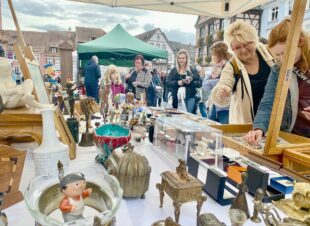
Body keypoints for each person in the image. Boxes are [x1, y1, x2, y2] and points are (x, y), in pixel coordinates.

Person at [245, 19, 310, 144]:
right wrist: (259, 128)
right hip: (291, 135)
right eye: (277, 54)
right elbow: (268, 102)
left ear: (300, 42)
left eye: (286, 52)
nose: (282, 58)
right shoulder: (278, 69)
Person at [211, 21, 274, 124]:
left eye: (246, 44)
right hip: (248, 127)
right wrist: (222, 92)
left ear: (254, 40)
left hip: (277, 122)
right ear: (232, 49)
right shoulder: (231, 67)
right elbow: (223, 85)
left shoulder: (269, 53)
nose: (243, 50)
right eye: (238, 47)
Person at [0, 45, 50, 109]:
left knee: (29, 81)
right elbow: (4, 92)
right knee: (20, 94)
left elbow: (14, 86)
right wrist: (16, 90)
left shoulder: (9, 78)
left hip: (18, 96)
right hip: (9, 101)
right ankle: (36, 104)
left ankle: (27, 95)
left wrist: (20, 88)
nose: (8, 71)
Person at [204, 41, 232, 123]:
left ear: (220, 54)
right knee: (211, 130)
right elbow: (205, 85)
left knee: (224, 131)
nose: (212, 57)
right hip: (214, 105)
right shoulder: (216, 67)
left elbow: (223, 84)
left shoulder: (228, 66)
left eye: (214, 54)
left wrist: (211, 82)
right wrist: (212, 82)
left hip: (225, 107)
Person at [166, 49, 202, 113]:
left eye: (183, 58)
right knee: (176, 116)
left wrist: (191, 83)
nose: (181, 60)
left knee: (190, 116)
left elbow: (200, 83)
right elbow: (167, 82)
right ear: (177, 59)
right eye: (179, 58)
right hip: (176, 98)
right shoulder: (174, 70)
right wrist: (177, 83)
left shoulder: (192, 70)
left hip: (190, 96)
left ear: (187, 59)